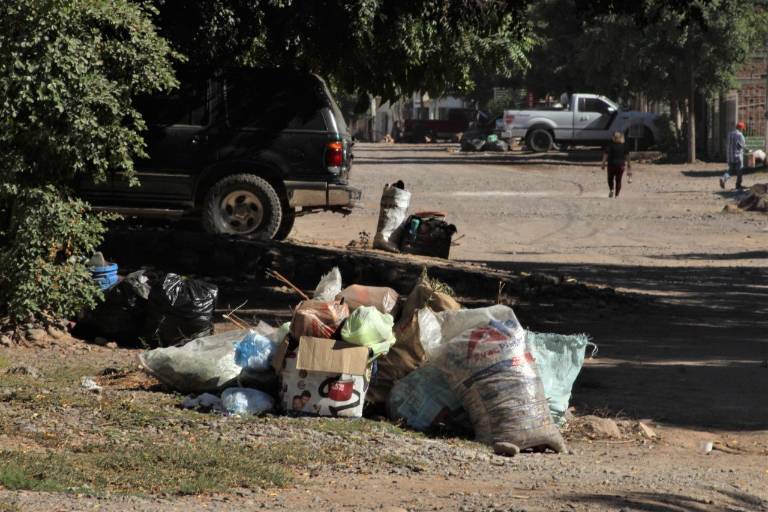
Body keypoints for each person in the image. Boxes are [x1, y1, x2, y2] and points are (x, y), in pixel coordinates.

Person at [602, 131, 631, 198]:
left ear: (613, 137)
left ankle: (611, 190)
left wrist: (603, 163)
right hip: (620, 165)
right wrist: (629, 164)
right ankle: (617, 195)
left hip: (611, 165)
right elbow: (627, 156)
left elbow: (605, 154)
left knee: (610, 178)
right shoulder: (624, 145)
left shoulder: (610, 144)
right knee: (618, 180)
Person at [720, 121, 746, 190]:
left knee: (730, 170)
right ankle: (738, 185)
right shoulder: (740, 135)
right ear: (741, 128)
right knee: (740, 170)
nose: (743, 130)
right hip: (737, 156)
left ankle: (723, 178)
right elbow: (742, 145)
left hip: (730, 156)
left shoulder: (730, 134)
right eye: (743, 129)